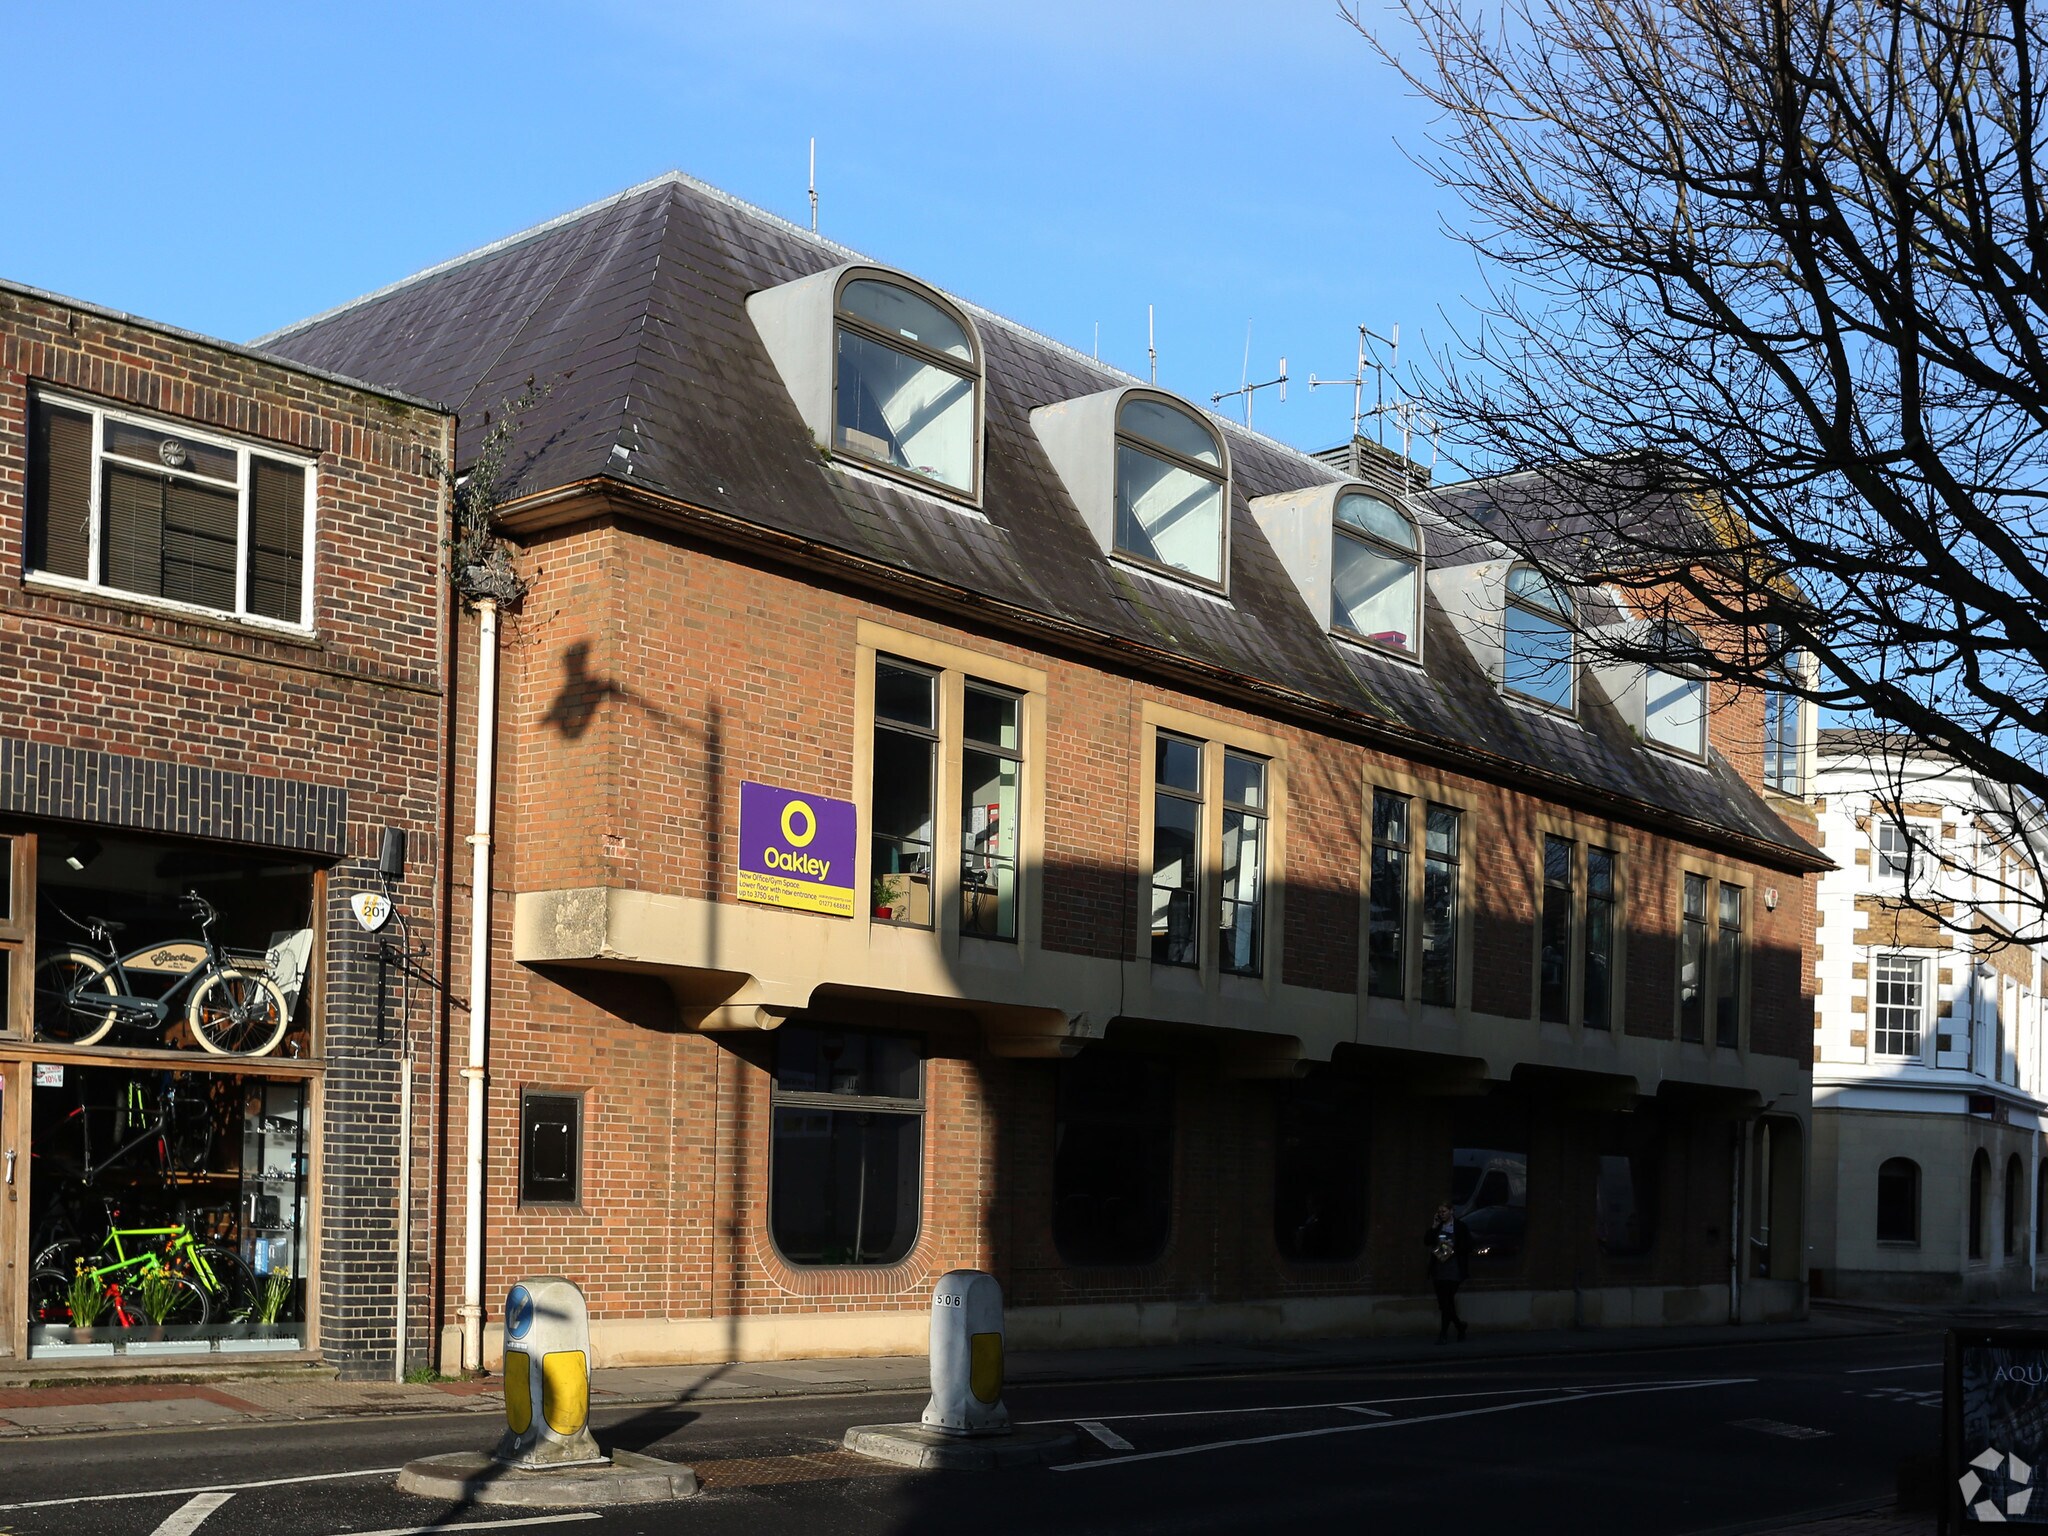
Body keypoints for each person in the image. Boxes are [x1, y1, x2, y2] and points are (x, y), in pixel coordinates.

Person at [1425, 1202, 1473, 1344]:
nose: (1441, 1214)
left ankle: (1443, 1334)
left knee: (1447, 1301)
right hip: (1439, 1270)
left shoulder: (1460, 1227)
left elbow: (1468, 1245)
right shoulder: (1438, 1226)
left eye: (1444, 1211)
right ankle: (1460, 1327)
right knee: (1445, 1303)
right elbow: (1426, 1241)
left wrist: (1452, 1248)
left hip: (1454, 1270)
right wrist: (1433, 1226)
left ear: (1452, 1211)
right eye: (1439, 1212)